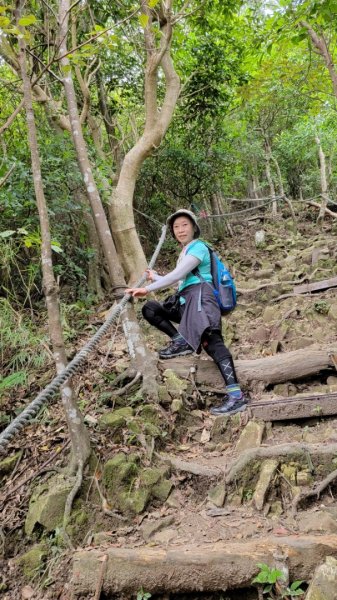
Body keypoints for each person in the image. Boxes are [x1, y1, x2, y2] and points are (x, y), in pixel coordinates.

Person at [125, 209, 246, 416]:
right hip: (186, 302)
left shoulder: (198, 247)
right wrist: (156, 277)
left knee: (212, 343)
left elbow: (178, 275)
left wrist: (147, 288)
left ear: (193, 227)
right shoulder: (185, 252)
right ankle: (180, 340)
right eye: (176, 227)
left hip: (202, 300)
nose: (180, 230)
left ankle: (236, 396)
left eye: (185, 225)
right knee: (151, 309)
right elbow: (181, 279)